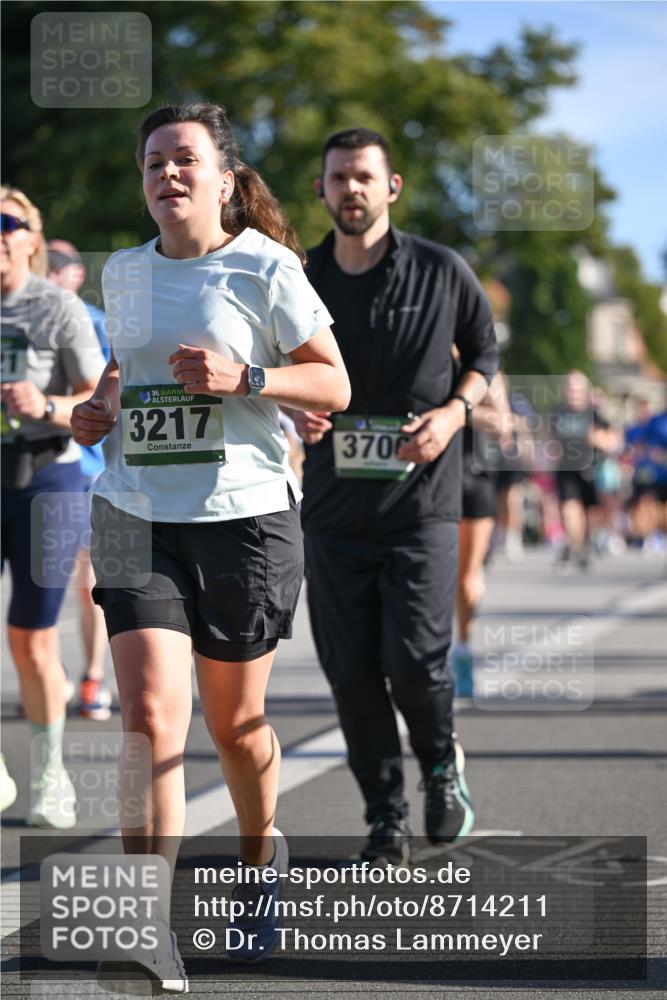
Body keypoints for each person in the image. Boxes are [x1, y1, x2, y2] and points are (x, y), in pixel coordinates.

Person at [70, 102, 349, 990]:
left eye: (184, 160)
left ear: (224, 180)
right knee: (150, 718)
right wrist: (99, 409)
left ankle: (259, 861)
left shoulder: (265, 268)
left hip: (243, 515)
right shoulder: (122, 271)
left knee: (235, 727)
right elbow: (125, 368)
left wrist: (249, 377)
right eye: (153, 163)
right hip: (133, 509)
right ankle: (145, 919)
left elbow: (335, 382)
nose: (166, 176)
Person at [289, 128, 499, 865]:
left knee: (412, 660)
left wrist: (453, 412)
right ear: (320, 189)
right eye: (337, 177)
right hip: (333, 509)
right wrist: (291, 407)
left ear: (391, 187)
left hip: (421, 505)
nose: (350, 188)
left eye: (363, 177)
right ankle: (385, 815)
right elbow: (262, 364)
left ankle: (440, 763)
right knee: (350, 674)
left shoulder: (442, 270)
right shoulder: (297, 274)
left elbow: (484, 353)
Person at [1, 186, 105, 827]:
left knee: (32, 639)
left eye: (6, 223)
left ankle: (48, 772)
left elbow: (95, 398)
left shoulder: (56, 307)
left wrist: (45, 406)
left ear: (30, 237)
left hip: (46, 478)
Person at [48, 240, 113, 720]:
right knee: (47, 575)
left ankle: (92, 677)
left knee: (89, 578)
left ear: (75, 275)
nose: (49, 276)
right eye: (42, 267)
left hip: (92, 470)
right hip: (46, 470)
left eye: (59, 268)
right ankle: (51, 676)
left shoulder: (98, 323)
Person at [453, 371, 513, 697]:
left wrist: (455, 411)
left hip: (473, 479)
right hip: (425, 477)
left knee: (466, 578)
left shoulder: (486, 370)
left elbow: (503, 424)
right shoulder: (418, 351)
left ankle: (462, 648)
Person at [552, 370, 621, 572]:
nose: (573, 392)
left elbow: (614, 439)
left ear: (585, 391)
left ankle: (580, 546)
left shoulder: (593, 414)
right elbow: (549, 439)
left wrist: (598, 439)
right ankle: (575, 547)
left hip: (591, 470)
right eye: (569, 388)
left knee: (589, 515)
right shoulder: (557, 413)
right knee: (569, 511)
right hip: (566, 470)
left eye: (577, 388)